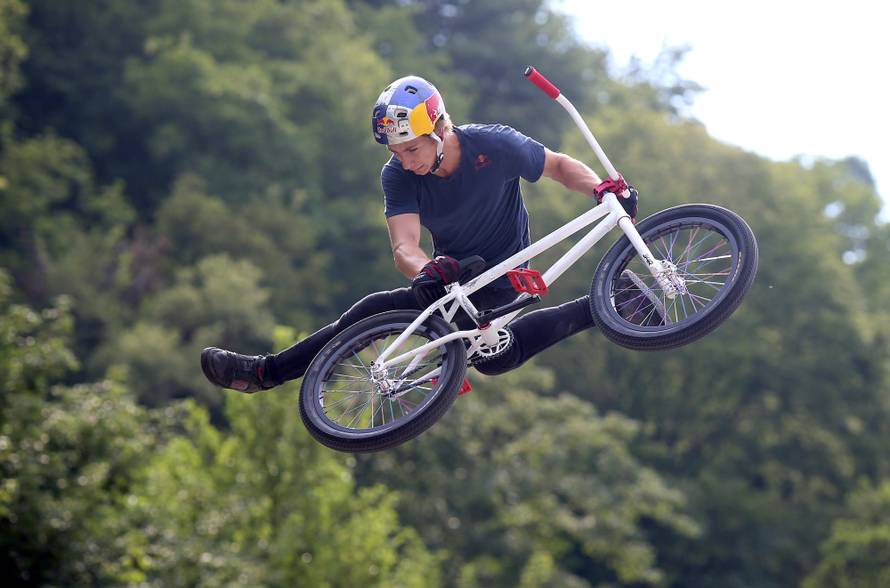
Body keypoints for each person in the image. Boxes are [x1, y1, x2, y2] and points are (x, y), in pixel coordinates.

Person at [201, 75, 640, 393]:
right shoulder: (399, 177)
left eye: (412, 148)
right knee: (374, 309)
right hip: (449, 280)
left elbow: (560, 166)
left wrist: (600, 187)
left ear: (440, 130)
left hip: (504, 277)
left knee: (496, 359)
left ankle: (614, 301)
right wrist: (427, 271)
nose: (406, 160)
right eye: (397, 151)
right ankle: (264, 372)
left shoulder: (494, 145)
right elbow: (403, 247)